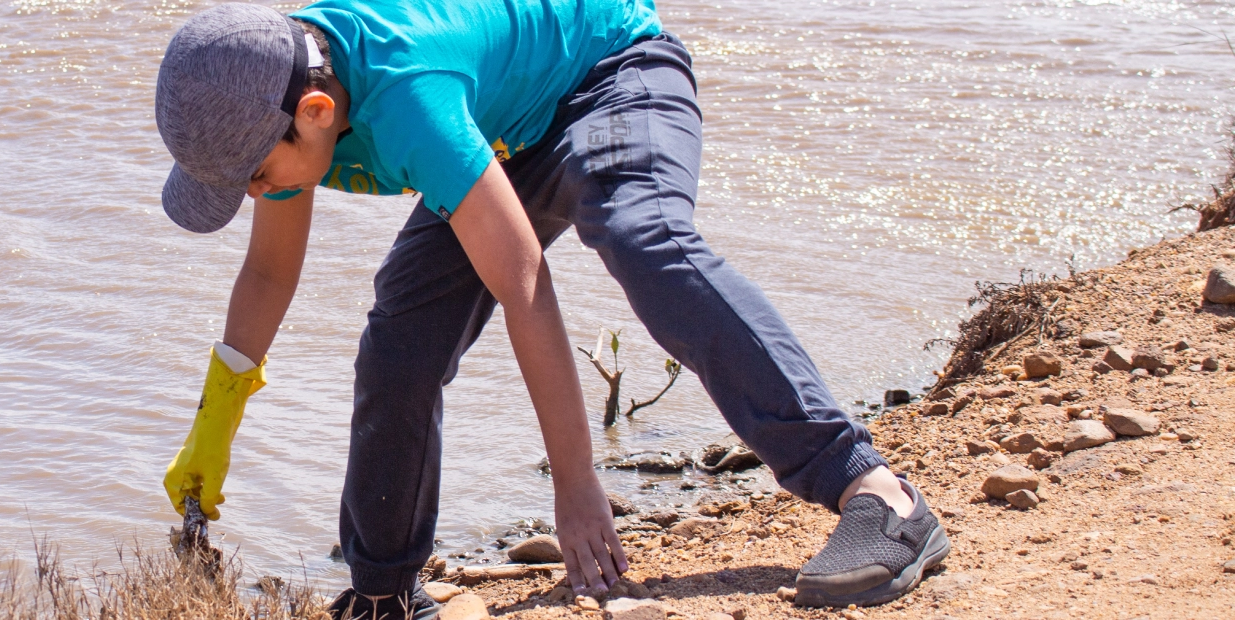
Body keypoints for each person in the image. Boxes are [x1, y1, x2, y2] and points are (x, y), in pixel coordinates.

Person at [153, 1, 950, 617]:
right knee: (402, 336)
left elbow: (523, 281)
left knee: (644, 236)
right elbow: (267, 273)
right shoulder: (282, 95)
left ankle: (876, 492)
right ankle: (383, 594)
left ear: (317, 114)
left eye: (255, 178)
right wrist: (210, 436)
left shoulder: (405, 96)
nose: (258, 195)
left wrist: (575, 483)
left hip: (611, 71)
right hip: (501, 128)